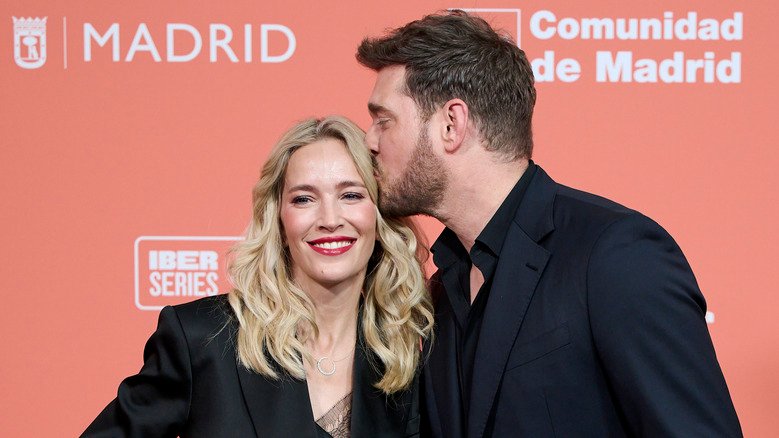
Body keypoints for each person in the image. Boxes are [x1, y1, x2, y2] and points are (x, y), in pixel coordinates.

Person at [357, 10, 742, 437]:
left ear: (452, 124)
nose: (369, 140)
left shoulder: (615, 255)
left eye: (383, 120)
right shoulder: (444, 287)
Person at [83, 116, 434, 437]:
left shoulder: (411, 352)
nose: (330, 218)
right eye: (304, 199)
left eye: (351, 195)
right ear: (279, 221)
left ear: (379, 215)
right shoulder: (201, 339)